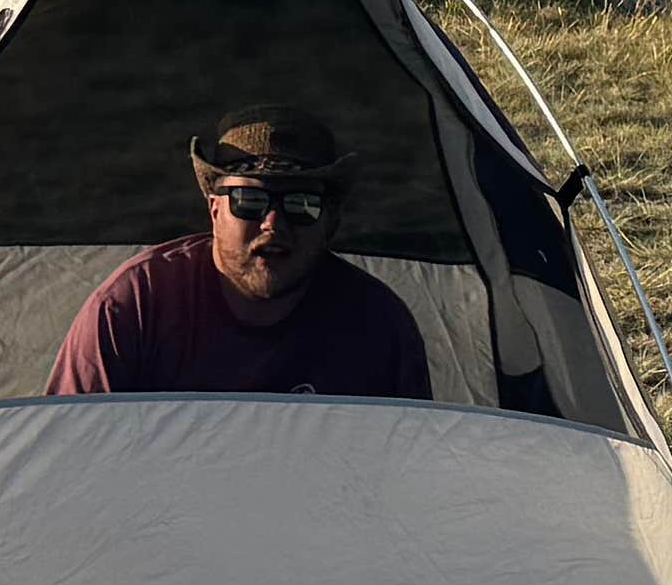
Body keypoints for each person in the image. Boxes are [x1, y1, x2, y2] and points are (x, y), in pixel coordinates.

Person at [46, 108, 433, 401]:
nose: (273, 224)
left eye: (301, 204)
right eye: (249, 200)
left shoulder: (379, 326)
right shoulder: (132, 308)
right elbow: (68, 456)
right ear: (214, 211)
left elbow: (408, 476)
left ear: (330, 222)